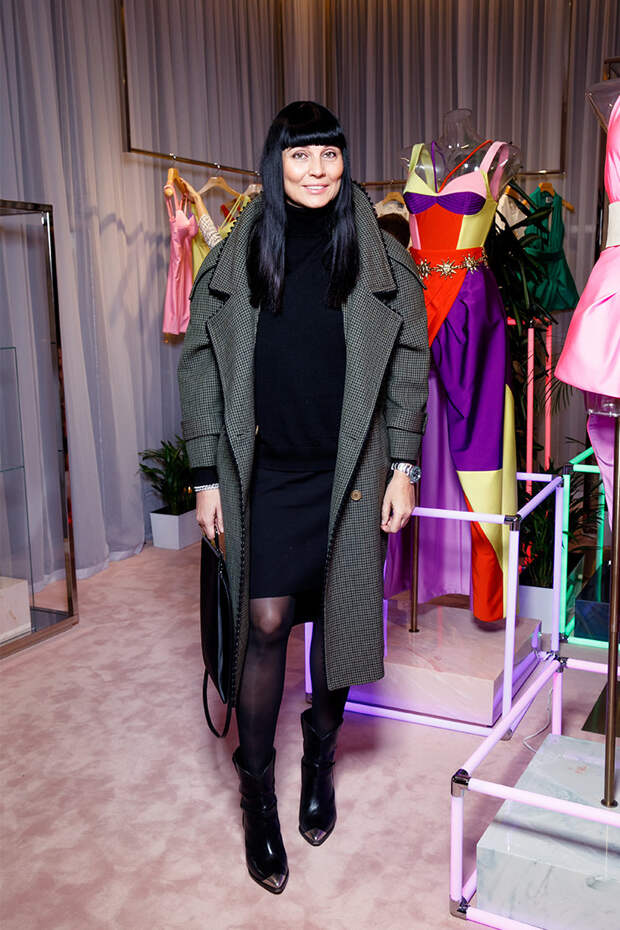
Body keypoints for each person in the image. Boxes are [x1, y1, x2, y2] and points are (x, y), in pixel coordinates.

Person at [177, 101, 429, 894]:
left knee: (339, 620)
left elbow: (409, 362)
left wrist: (404, 466)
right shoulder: (241, 246)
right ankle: (257, 793)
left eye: (329, 154)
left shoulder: (379, 252)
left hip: (350, 471)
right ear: (276, 163)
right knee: (265, 621)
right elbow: (199, 363)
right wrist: (206, 476)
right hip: (268, 472)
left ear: (344, 160)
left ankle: (321, 752)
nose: (317, 170)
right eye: (300, 155)